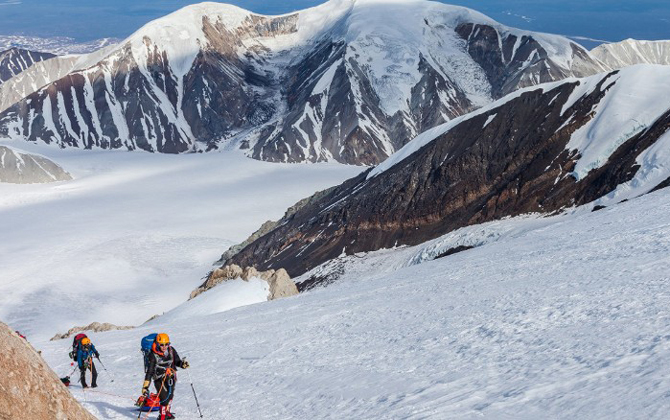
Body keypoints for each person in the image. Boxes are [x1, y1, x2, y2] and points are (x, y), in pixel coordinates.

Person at [142, 333, 189, 420]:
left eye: (166, 344)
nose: (164, 347)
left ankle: (167, 413)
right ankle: (162, 416)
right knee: (164, 397)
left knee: (170, 396)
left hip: (171, 376)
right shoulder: (153, 355)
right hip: (159, 378)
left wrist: (182, 364)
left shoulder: (171, 350)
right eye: (162, 344)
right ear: (157, 343)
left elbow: (177, 361)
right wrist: (145, 386)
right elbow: (150, 372)